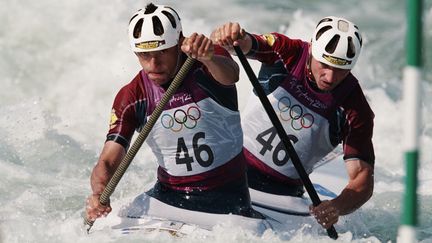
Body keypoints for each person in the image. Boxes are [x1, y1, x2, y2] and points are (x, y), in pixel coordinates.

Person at [85, 3, 262, 226]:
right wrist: (98, 194)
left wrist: (208, 57)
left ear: (180, 42)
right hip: (168, 198)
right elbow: (109, 161)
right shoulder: (132, 96)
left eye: (162, 52)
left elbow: (231, 75)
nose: (153, 64)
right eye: (144, 54)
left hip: (227, 201)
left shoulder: (206, 62)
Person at [211, 17, 375, 229]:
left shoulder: (356, 108)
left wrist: (336, 207)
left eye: (341, 69)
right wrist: (233, 36)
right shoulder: (288, 52)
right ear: (312, 49)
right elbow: (248, 43)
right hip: (230, 169)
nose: (330, 77)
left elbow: (363, 178)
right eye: (324, 64)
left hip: (283, 194)